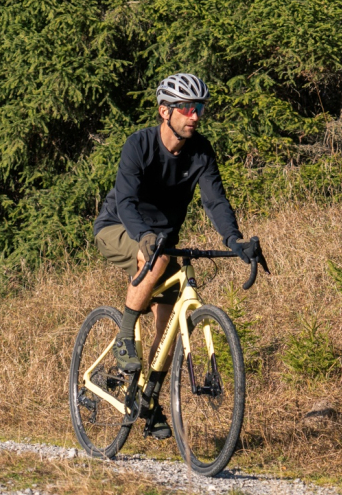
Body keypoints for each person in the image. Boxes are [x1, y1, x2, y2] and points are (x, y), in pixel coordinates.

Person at [92, 73, 258, 439]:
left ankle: (147, 401)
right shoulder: (139, 146)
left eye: (199, 107)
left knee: (166, 333)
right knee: (159, 259)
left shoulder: (200, 151)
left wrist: (234, 240)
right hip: (118, 227)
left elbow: (215, 201)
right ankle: (123, 337)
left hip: (161, 243)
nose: (195, 115)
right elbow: (127, 200)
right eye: (186, 108)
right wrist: (144, 237)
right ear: (164, 111)